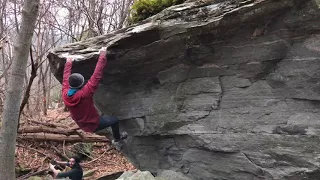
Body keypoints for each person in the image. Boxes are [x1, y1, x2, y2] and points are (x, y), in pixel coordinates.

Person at [62, 47, 127, 144]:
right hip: (94, 124)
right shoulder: (84, 94)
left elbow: (65, 77)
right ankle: (117, 138)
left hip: (81, 123)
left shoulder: (65, 92)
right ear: (82, 84)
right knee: (114, 120)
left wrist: (68, 61)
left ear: (70, 84)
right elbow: (96, 75)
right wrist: (102, 55)